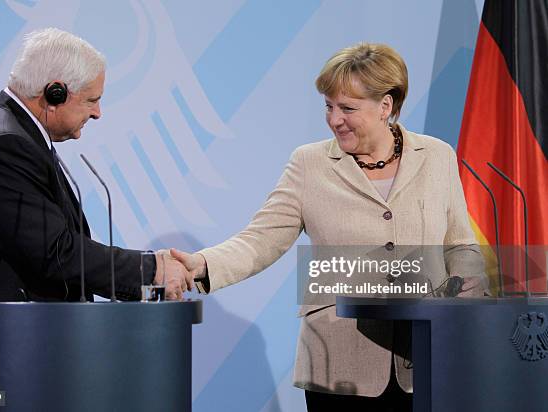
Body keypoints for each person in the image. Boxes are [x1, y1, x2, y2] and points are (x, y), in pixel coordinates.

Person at [171, 43, 485, 410]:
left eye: (347, 108)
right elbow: (262, 239)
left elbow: (460, 244)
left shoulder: (437, 156)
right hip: (338, 363)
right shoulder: (309, 164)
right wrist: (204, 264)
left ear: (386, 106)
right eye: (329, 106)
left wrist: (467, 289)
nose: (335, 119)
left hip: (426, 359)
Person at [0, 28, 192, 302]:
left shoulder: (17, 134)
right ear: (55, 93)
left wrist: (150, 274)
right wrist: (150, 270)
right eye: (92, 100)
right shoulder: (4, 144)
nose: (97, 113)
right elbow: (55, 252)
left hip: (21, 335)